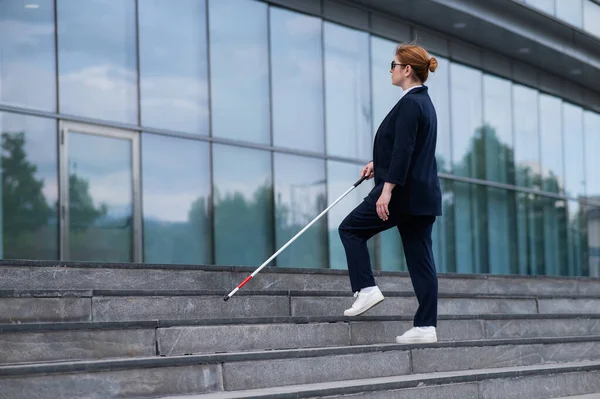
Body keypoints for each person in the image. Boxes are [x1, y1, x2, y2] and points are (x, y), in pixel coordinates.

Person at [338, 43, 442, 344]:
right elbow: (406, 149)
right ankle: (425, 327)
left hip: (401, 194)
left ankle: (366, 289)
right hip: (422, 197)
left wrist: (386, 190)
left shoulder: (410, 104)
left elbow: (405, 150)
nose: (391, 70)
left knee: (350, 230)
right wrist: (377, 163)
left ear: (407, 69)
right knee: (421, 259)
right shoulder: (424, 103)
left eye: (393, 65)